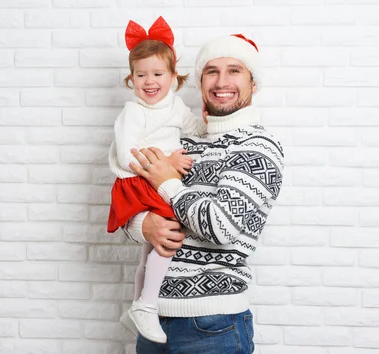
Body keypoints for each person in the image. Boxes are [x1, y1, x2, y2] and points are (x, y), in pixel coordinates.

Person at [121, 33, 285, 354]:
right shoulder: (181, 140)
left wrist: (168, 182)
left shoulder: (258, 147)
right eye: (212, 71)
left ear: (254, 82)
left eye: (234, 70)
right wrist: (144, 226)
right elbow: (132, 201)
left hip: (213, 325)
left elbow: (220, 227)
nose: (221, 81)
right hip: (152, 320)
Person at [106, 17, 206, 343]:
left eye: (158, 74)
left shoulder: (175, 106)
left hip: (154, 182)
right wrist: (168, 161)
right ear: (130, 79)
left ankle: (136, 305)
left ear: (174, 77)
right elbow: (127, 156)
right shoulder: (132, 112)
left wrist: (209, 120)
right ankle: (148, 305)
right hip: (136, 183)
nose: (149, 82)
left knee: (149, 249)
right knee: (169, 234)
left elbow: (195, 130)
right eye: (141, 75)